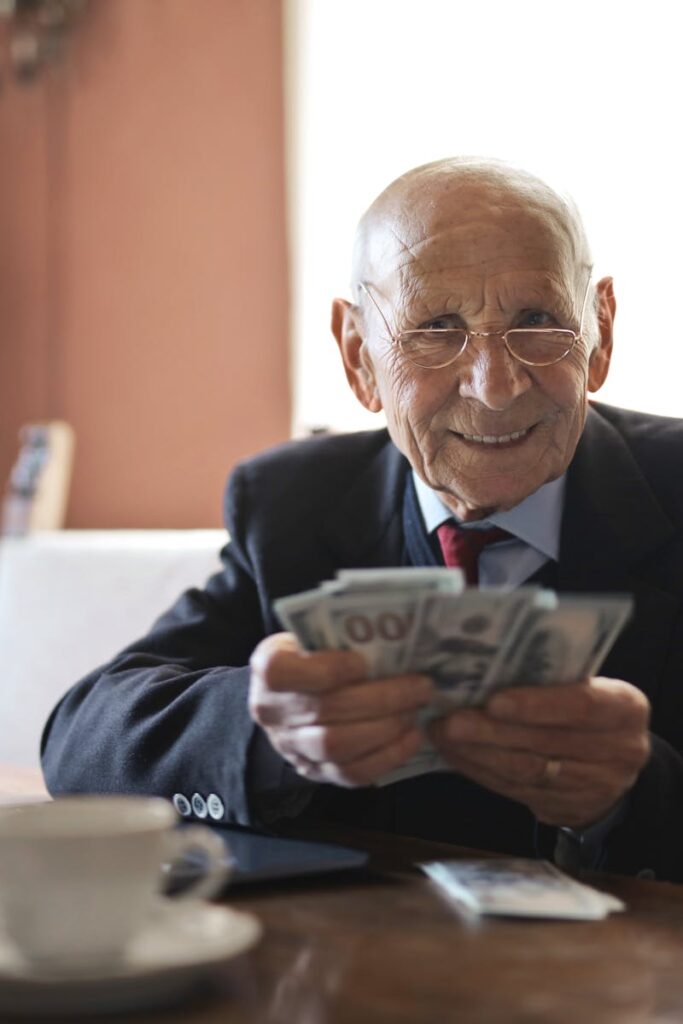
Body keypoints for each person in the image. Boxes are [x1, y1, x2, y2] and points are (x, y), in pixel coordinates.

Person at [42, 157, 683, 881]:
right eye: (436, 328)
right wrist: (272, 735)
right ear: (357, 357)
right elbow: (82, 741)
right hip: (357, 968)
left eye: (535, 321)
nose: (495, 386)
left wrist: (634, 793)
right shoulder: (295, 504)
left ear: (598, 330)